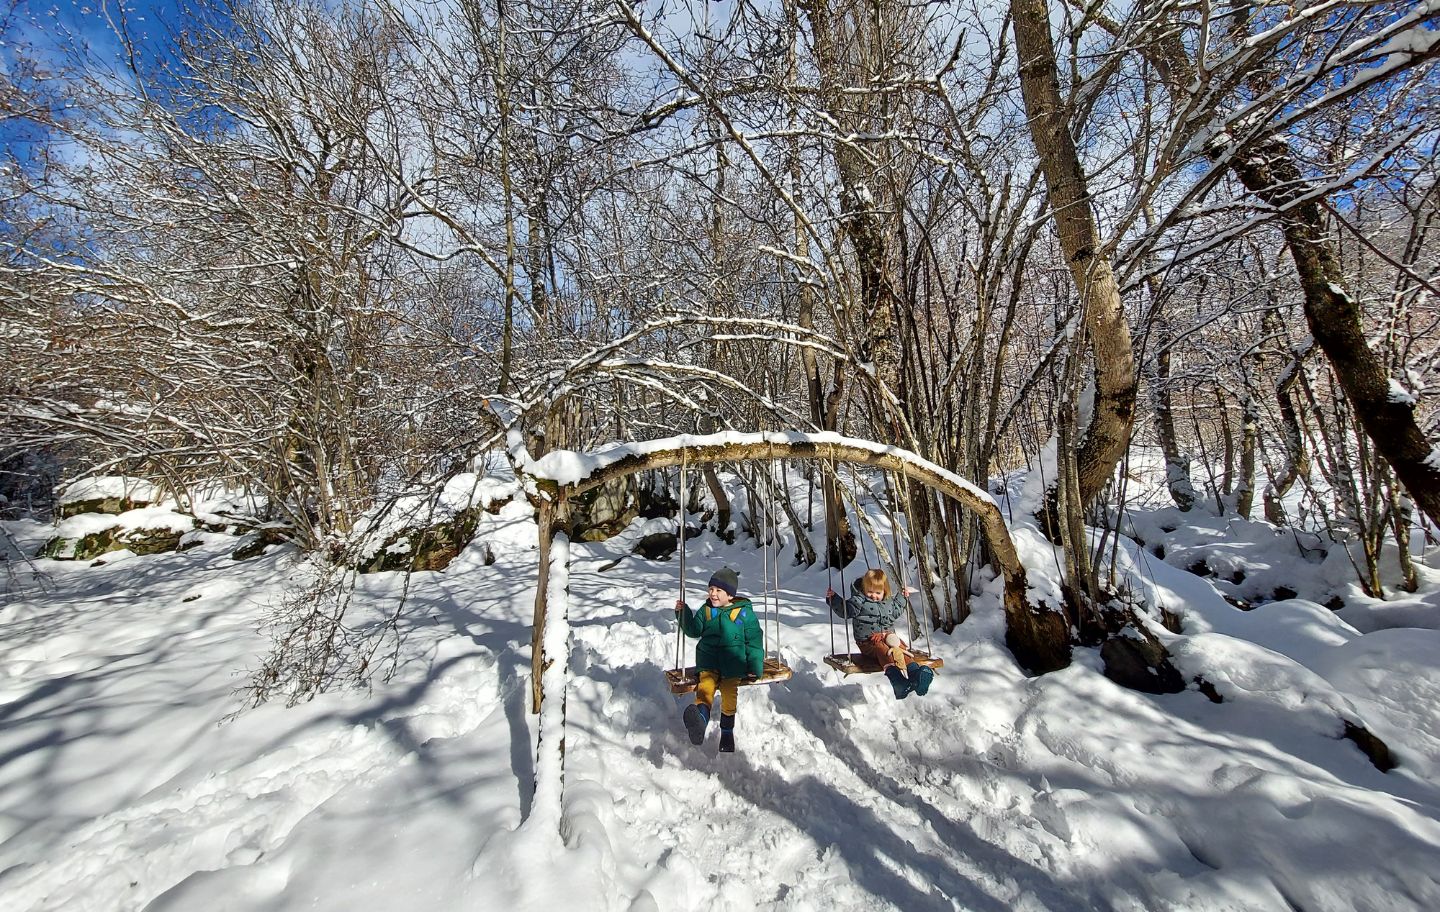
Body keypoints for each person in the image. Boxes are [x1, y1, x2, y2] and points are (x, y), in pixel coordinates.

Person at [674, 566, 764, 753]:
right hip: (708, 662)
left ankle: (727, 732)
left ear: (730, 595)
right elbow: (693, 630)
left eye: (718, 591)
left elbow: (754, 639)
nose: (713, 594)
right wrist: (683, 614)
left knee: (729, 693)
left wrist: (755, 666)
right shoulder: (706, 611)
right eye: (711, 589)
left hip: (734, 664)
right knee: (705, 687)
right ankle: (700, 720)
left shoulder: (744, 614)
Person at [826, 568, 934, 700]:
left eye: (878, 592)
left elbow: (896, 611)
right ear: (864, 589)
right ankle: (898, 682)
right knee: (881, 648)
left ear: (885, 591)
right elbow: (845, 611)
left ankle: (916, 676)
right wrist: (834, 598)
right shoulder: (858, 602)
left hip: (888, 638)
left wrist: (902, 598)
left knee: (900, 649)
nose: (873, 595)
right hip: (868, 642)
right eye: (869, 591)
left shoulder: (888, 602)